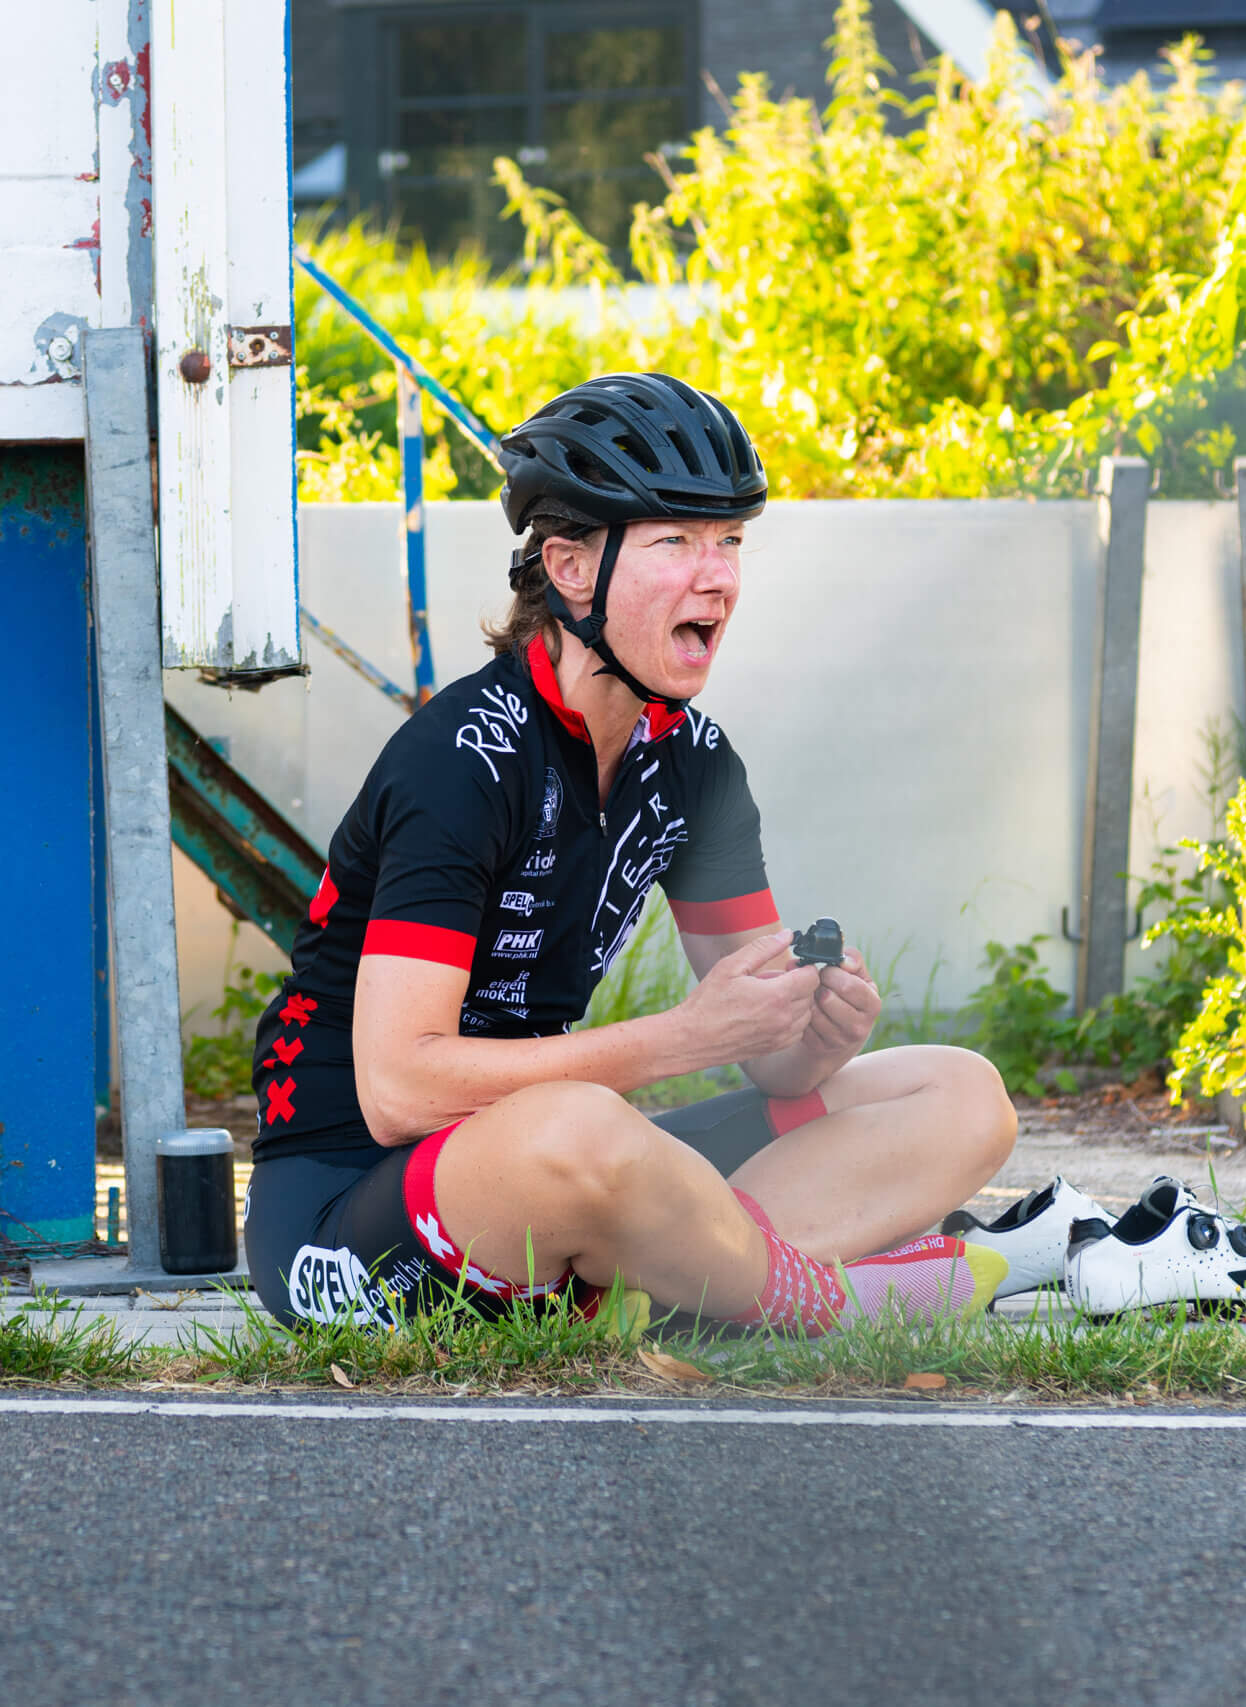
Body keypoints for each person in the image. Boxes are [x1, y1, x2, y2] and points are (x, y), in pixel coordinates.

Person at [241, 372, 1017, 1333]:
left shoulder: (695, 764)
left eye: (731, 540)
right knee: (587, 1122)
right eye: (676, 542)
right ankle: (823, 1305)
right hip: (352, 1209)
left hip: (566, 1163)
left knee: (957, 1092)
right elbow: (400, 1090)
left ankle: (668, 1290)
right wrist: (683, 1037)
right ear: (570, 570)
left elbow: (771, 1066)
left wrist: (813, 1032)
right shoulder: (462, 761)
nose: (719, 575)